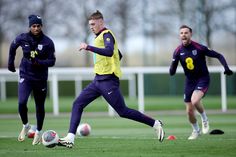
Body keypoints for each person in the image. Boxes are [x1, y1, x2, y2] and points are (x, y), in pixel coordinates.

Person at [58, 10, 164, 148]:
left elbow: (109, 51)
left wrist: (88, 47)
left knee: (123, 111)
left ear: (101, 22)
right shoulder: (98, 37)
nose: (91, 27)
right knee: (77, 104)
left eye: (93, 24)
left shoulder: (106, 34)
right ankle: (70, 138)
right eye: (89, 24)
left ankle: (155, 124)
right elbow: (118, 54)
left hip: (108, 82)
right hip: (97, 81)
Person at [169, 25, 233, 140]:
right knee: (189, 111)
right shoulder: (178, 51)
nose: (183, 35)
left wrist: (226, 68)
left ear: (190, 34)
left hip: (202, 78)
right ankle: (195, 131)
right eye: (181, 33)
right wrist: (172, 68)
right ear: (180, 35)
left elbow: (218, 55)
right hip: (189, 81)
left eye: (186, 33)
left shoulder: (199, 48)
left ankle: (204, 119)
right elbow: (172, 70)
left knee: (195, 100)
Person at [8, 14, 56, 145]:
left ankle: (39, 131)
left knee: (39, 106)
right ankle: (26, 125)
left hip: (40, 79)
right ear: (30, 26)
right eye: (33, 26)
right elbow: (12, 47)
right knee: (22, 102)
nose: (36, 28)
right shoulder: (22, 38)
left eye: (38, 26)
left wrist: (39, 62)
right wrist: (10, 63)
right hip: (26, 76)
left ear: (41, 26)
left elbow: (52, 61)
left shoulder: (48, 42)